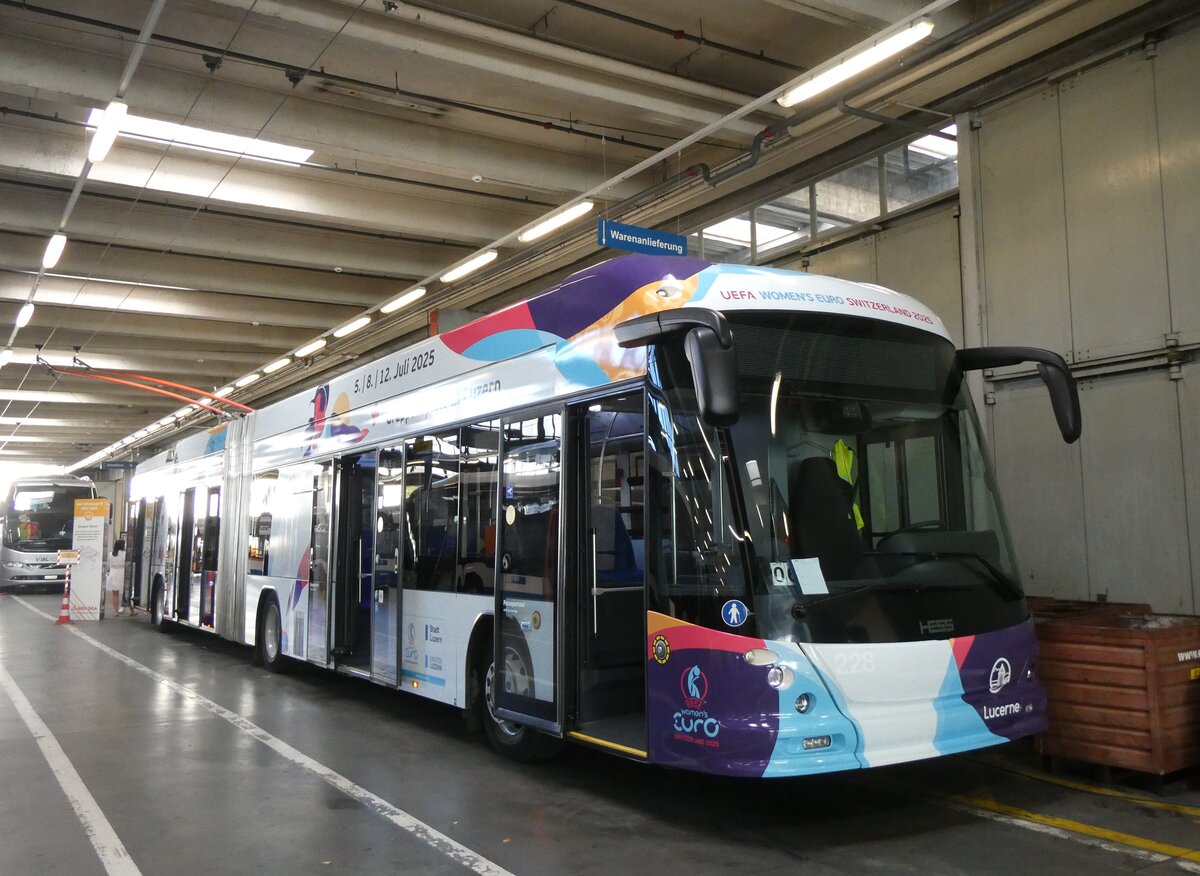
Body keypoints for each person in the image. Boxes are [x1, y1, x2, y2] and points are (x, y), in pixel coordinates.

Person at [107, 539, 126, 617]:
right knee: (126, 594)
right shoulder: (125, 554)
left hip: (113, 573)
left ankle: (116, 612)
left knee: (115, 594)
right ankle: (132, 610)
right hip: (122, 573)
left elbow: (109, 564)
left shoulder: (111, 554)